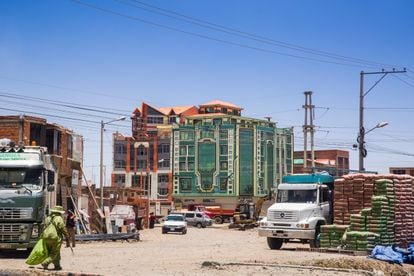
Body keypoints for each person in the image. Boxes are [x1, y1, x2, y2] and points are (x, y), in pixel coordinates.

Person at [41, 205, 70, 271]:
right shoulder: (59, 218)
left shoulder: (48, 218)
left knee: (54, 252)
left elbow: (44, 227)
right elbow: (62, 228)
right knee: (54, 253)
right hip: (55, 238)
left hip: (46, 238)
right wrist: (67, 236)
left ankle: (57, 266)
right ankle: (45, 263)